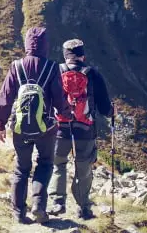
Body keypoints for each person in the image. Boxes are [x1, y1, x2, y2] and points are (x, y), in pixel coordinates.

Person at [0, 27, 71, 224]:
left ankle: (19, 213)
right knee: (45, 164)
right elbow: (58, 98)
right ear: (46, 45)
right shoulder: (52, 67)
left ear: (27, 44)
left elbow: (4, 97)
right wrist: (66, 114)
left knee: (21, 169)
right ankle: (38, 205)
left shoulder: (16, 66)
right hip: (46, 128)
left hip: (20, 128)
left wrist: (1, 124)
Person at [48, 39, 113, 220]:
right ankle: (83, 208)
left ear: (65, 55)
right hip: (85, 129)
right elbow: (104, 108)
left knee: (58, 164)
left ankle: (57, 202)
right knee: (83, 168)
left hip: (60, 128)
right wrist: (111, 111)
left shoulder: (56, 71)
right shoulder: (92, 74)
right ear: (83, 56)